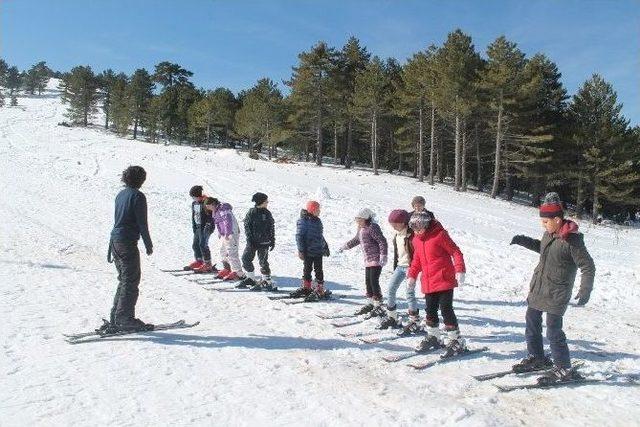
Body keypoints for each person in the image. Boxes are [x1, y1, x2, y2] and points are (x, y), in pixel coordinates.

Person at [510, 192, 595, 385]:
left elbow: (588, 266)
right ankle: (537, 357)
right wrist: (524, 241)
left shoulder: (572, 240)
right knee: (531, 323)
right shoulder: (549, 234)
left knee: (554, 332)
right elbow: (544, 248)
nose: (543, 225)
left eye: (546, 221)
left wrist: (585, 289)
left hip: (557, 292)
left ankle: (563, 368)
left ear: (557, 219)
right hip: (539, 287)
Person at [407, 211, 467, 357]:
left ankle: (456, 341)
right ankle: (434, 337)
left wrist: (460, 269)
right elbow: (417, 260)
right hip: (428, 281)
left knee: (446, 309)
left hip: (444, 279)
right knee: (430, 310)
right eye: (414, 228)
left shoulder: (440, 235)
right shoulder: (416, 240)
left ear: (426, 225)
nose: (417, 230)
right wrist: (412, 275)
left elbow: (456, 252)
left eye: (419, 227)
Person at [103, 166, 154, 333]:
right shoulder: (137, 196)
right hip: (126, 242)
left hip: (116, 241)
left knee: (124, 279)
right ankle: (125, 319)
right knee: (131, 280)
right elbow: (142, 222)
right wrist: (148, 243)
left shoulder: (121, 194)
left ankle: (116, 316)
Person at [339, 208, 388, 316]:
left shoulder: (372, 227)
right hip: (368, 259)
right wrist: (346, 246)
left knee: (373, 280)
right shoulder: (361, 228)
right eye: (357, 220)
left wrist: (383, 255)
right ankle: (371, 302)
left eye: (359, 220)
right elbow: (357, 240)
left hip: (376, 258)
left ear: (365, 218)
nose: (358, 222)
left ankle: (378, 303)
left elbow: (382, 241)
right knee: (368, 281)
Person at [377, 209, 419, 330]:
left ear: (403, 222)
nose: (393, 226)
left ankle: (414, 321)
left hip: (410, 268)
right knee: (390, 289)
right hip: (400, 267)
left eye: (395, 223)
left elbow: (418, 253)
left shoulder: (412, 235)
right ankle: (392, 317)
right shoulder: (397, 235)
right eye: (391, 223)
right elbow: (398, 253)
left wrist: (415, 268)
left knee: (409, 293)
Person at [290, 201, 330, 301]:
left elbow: (320, 235)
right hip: (307, 251)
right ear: (312, 210)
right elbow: (299, 237)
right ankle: (306, 287)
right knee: (307, 269)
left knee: (319, 270)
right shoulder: (303, 221)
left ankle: (319, 288)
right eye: (317, 210)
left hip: (318, 251)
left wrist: (325, 246)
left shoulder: (318, 221)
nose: (319, 211)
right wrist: (301, 250)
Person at [237, 192, 275, 290]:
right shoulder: (252, 212)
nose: (267, 203)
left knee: (263, 261)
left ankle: (267, 281)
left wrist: (272, 239)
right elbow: (247, 226)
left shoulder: (267, 213)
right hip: (253, 241)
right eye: (266, 201)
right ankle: (251, 278)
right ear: (261, 202)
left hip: (264, 242)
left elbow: (271, 227)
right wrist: (249, 239)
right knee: (246, 258)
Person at [204, 197, 245, 282]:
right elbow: (218, 222)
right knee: (223, 251)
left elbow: (228, 221)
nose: (208, 208)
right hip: (224, 234)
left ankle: (238, 272)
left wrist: (227, 233)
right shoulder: (215, 210)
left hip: (231, 233)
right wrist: (220, 232)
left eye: (208, 206)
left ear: (212, 204)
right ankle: (227, 269)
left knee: (231, 252)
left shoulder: (223, 209)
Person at [185, 185, 215, 273]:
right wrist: (194, 226)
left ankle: (207, 264)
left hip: (206, 227)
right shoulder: (194, 203)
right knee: (195, 245)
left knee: (203, 245)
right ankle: (199, 260)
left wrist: (208, 226)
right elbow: (193, 215)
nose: (193, 199)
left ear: (198, 196)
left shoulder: (206, 203)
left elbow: (211, 216)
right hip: (198, 227)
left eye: (194, 197)